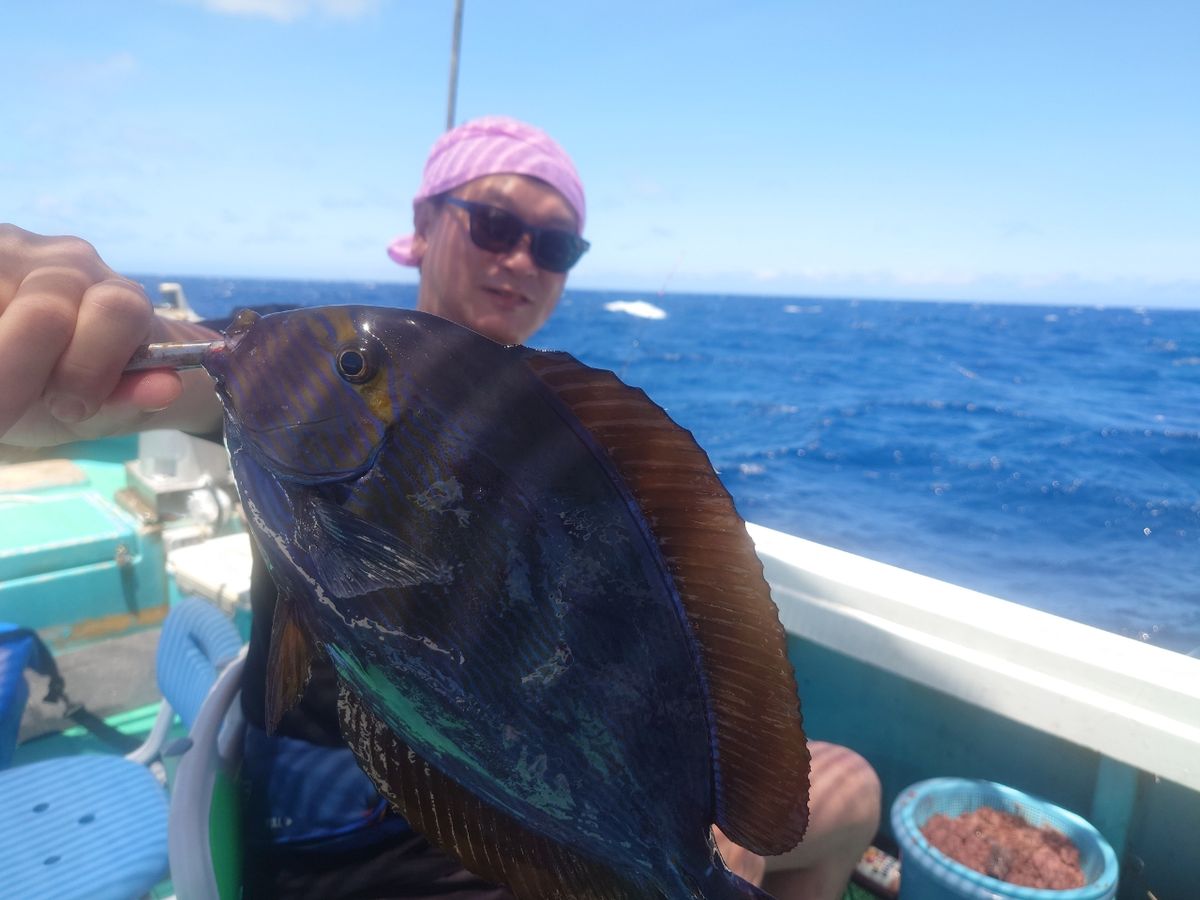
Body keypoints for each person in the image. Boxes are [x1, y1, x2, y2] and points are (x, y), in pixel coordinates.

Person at [0, 115, 880, 899]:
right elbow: (202, 374)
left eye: (556, 246)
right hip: (372, 850)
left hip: (536, 813)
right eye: (495, 224)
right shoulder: (339, 371)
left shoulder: (563, 434)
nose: (521, 260)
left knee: (851, 791)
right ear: (422, 227)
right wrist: (95, 342)